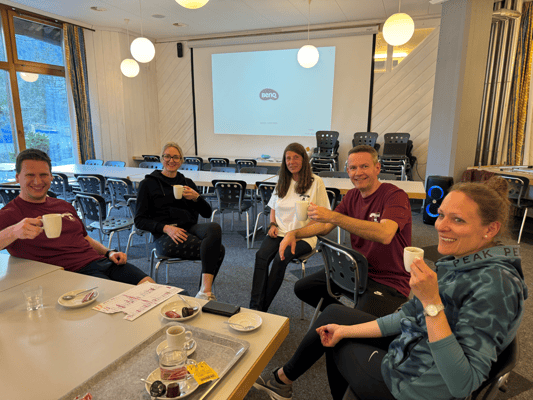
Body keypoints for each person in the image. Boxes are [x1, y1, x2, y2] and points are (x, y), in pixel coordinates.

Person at [254, 177, 528, 400]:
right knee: (335, 321)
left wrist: (431, 303)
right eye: (442, 215)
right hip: (414, 350)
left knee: (335, 344)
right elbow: (407, 316)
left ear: (490, 229)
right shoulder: (461, 263)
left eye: (458, 220)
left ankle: (284, 381)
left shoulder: (496, 286)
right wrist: (346, 329)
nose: (440, 226)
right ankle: (283, 381)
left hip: (414, 385)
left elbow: (461, 384)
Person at [280, 145, 411, 317]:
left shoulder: (395, 195)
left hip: (389, 280)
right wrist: (294, 233)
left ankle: (348, 319)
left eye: (364, 166)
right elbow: (325, 227)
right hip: (357, 270)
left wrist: (334, 217)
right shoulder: (351, 196)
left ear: (377, 168)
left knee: (358, 326)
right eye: (353, 168)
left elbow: (385, 234)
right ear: (347, 171)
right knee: (303, 288)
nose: (358, 173)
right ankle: (341, 315)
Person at [0, 149, 154, 285]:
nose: (38, 181)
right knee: (119, 300)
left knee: (152, 287)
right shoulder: (10, 213)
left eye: (43, 175)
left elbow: (84, 238)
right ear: (17, 177)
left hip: (101, 262)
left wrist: (109, 252)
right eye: (30, 175)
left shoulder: (63, 205)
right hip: (72, 274)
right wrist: (13, 232)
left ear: (51, 177)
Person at [135, 142, 224, 300]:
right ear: (161, 159)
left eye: (176, 157)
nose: (171, 160)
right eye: (167, 156)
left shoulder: (187, 183)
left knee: (214, 228)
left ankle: (204, 291)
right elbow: (139, 221)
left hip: (189, 228)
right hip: (164, 236)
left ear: (181, 160)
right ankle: (204, 293)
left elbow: (207, 212)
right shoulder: (148, 184)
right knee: (218, 250)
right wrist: (166, 228)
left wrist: (197, 198)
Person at [250, 142, 330, 311]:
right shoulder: (283, 180)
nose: (291, 162)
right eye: (288, 158)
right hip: (279, 232)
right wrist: (272, 224)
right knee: (261, 256)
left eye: (296, 157)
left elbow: (323, 216)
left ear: (304, 159)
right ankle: (254, 306)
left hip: (304, 236)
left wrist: (298, 233)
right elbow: (273, 207)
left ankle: (261, 310)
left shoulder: (316, 182)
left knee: (279, 260)